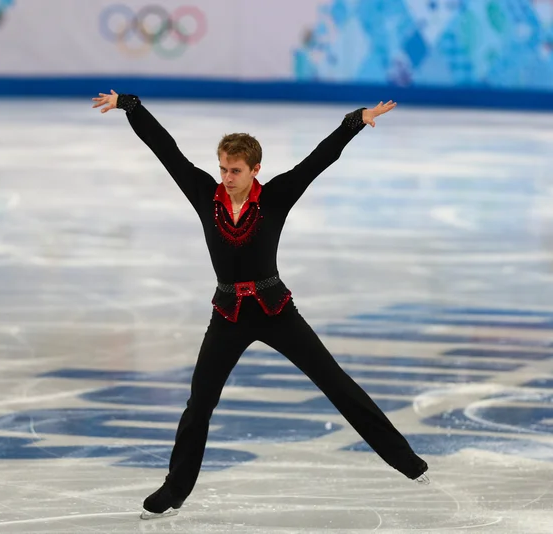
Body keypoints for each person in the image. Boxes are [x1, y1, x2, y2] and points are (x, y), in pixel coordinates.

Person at [92, 91, 429, 519]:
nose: (227, 177)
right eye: (223, 168)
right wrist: (131, 106)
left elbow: (317, 160)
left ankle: (407, 461)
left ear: (255, 170)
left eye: (235, 170)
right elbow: (166, 150)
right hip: (228, 314)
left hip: (275, 310)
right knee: (199, 404)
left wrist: (355, 121)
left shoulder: (275, 197)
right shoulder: (205, 194)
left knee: (336, 382)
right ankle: (173, 491)